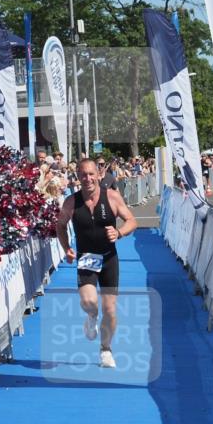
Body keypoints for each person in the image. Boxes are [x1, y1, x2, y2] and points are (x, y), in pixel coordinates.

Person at [55, 158, 137, 369]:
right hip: (86, 258)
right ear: (77, 177)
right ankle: (91, 316)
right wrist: (67, 249)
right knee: (90, 302)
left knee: (110, 310)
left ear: (99, 175)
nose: (88, 178)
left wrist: (118, 232)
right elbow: (60, 226)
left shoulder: (111, 196)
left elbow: (132, 221)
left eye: (91, 174)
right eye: (83, 174)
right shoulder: (71, 202)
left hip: (109, 258)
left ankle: (106, 350)